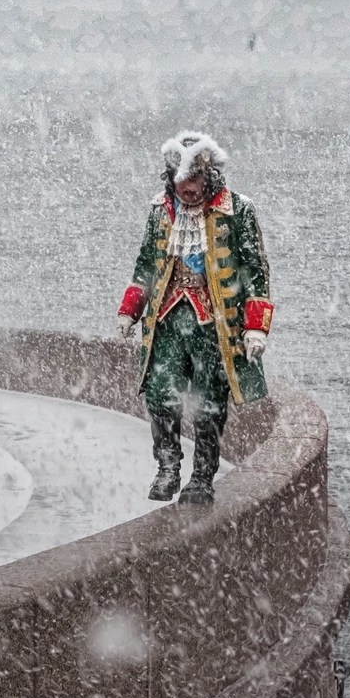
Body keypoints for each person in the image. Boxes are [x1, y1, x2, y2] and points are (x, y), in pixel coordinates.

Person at [117, 132, 274, 504]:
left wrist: (255, 327)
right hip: (167, 322)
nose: (186, 188)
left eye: (194, 179)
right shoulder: (160, 209)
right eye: (180, 180)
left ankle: (203, 476)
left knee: (209, 402)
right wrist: (129, 310)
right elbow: (146, 266)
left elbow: (255, 271)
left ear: (209, 176)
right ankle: (168, 467)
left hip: (215, 327)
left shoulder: (237, 209)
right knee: (159, 394)